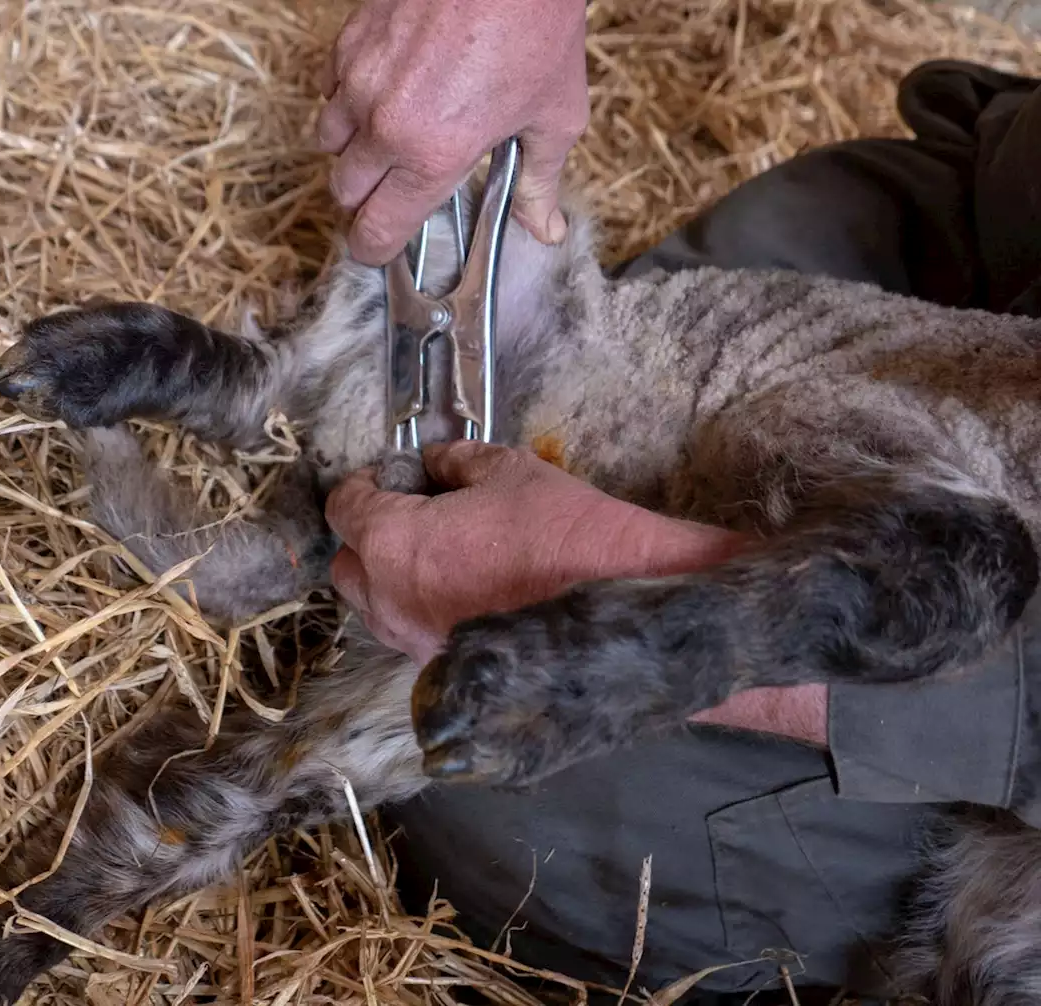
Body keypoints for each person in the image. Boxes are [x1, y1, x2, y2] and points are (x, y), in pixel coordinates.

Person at [317, 2, 1041, 1000]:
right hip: (1005, 262)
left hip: (1001, 747)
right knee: (677, 292)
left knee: (467, 784)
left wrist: (607, 586)